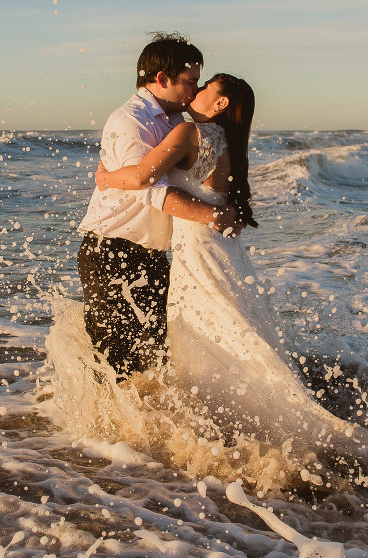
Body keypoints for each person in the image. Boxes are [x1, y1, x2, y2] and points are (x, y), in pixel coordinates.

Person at [95, 74, 368, 489]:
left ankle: (230, 435)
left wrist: (105, 179)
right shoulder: (226, 141)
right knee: (235, 327)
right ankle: (242, 427)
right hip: (223, 249)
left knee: (211, 331)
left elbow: (141, 176)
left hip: (198, 248)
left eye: (204, 86)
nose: (195, 92)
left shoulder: (189, 131)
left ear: (220, 102)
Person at [77, 33, 246, 380]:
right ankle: (100, 435)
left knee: (157, 362)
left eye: (199, 84)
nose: (194, 92)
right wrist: (213, 215)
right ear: (162, 79)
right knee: (116, 364)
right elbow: (148, 189)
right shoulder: (132, 120)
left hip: (153, 256)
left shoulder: (177, 122)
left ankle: (151, 434)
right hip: (112, 252)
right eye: (190, 82)